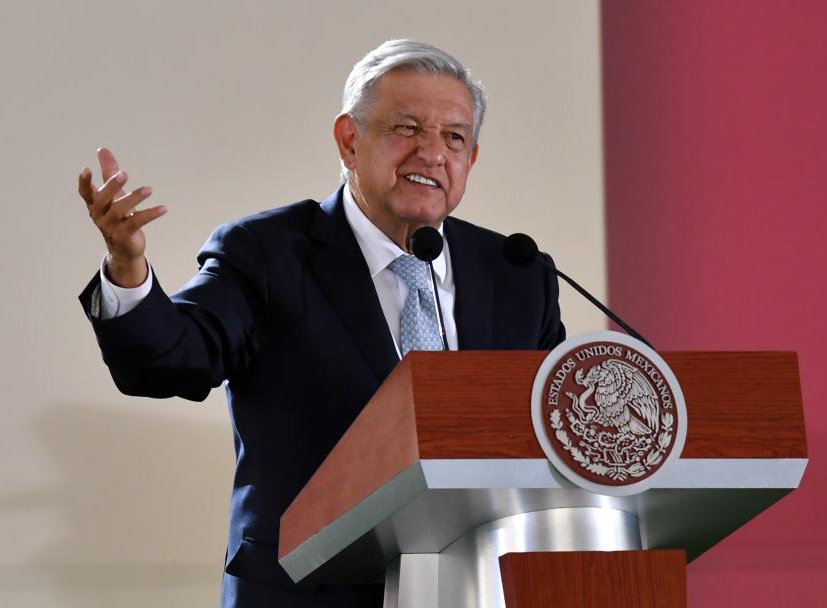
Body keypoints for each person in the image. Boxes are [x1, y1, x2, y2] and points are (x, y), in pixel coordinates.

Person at [77, 39, 564, 607]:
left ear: (470, 160)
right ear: (349, 140)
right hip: (306, 591)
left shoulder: (516, 274)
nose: (432, 153)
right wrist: (127, 265)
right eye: (406, 128)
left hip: (478, 588)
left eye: (454, 137)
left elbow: (548, 434)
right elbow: (173, 359)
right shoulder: (267, 252)